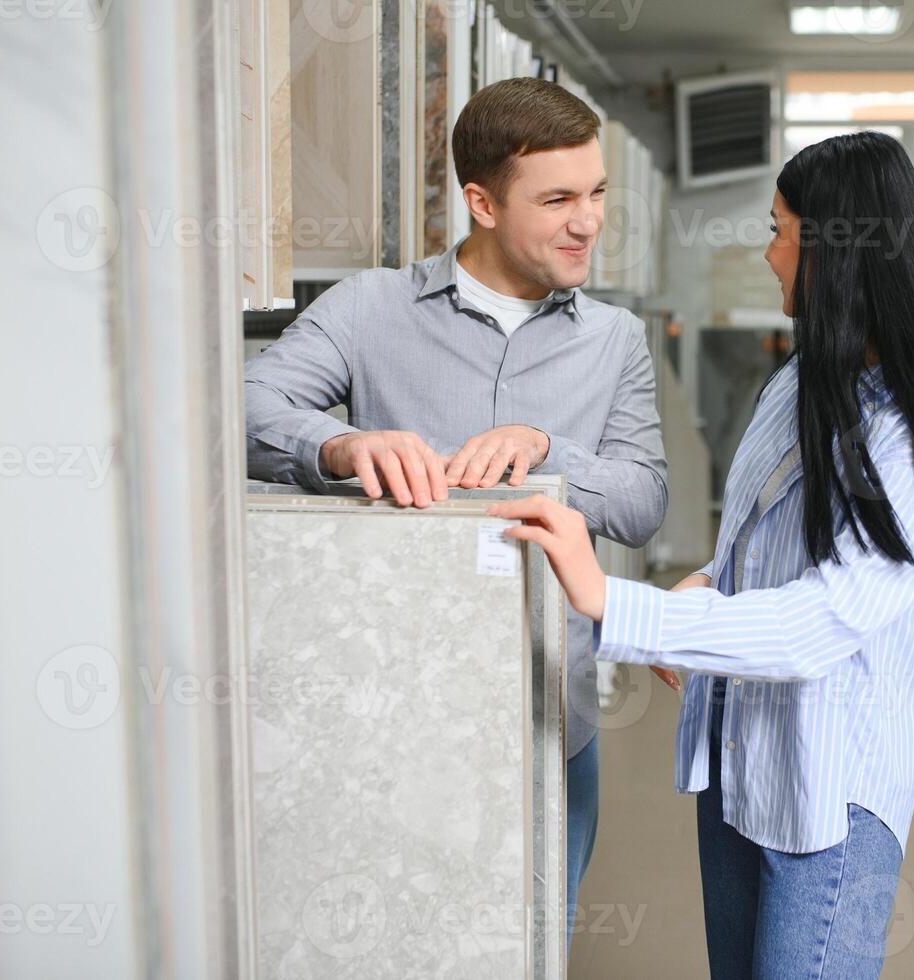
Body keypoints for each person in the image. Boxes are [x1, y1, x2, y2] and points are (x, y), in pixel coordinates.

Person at [487, 130, 914, 979]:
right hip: (740, 772)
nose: (768, 252)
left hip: (828, 801)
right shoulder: (802, 383)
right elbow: (759, 547)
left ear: (834, 252)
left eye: (779, 230)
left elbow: (823, 621)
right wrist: (707, 584)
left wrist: (617, 604)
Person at [242, 77, 671, 939]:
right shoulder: (371, 307)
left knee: (533, 936)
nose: (587, 222)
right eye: (556, 200)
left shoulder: (613, 339)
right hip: (385, 704)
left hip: (552, 710)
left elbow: (642, 499)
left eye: (595, 194)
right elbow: (244, 406)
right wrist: (338, 448)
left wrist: (550, 450)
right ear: (480, 201)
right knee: (388, 931)